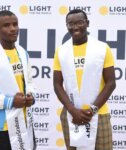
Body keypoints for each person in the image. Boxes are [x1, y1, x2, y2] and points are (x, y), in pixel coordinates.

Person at [53, 9, 116, 150]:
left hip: (98, 114)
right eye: (70, 24)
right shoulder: (61, 51)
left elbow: (111, 83)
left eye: (79, 22)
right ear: (66, 26)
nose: (75, 27)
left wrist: (92, 110)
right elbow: (57, 84)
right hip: (71, 114)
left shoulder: (102, 48)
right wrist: (72, 110)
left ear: (87, 23)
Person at [0, 10, 36, 150]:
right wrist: (9, 102)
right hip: (2, 125)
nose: (13, 29)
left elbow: (29, 82)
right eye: (6, 25)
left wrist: (31, 96)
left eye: (15, 24)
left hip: (25, 120)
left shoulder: (22, 52)